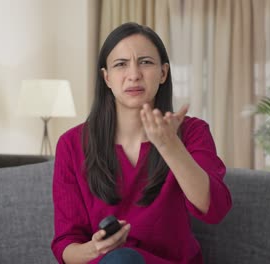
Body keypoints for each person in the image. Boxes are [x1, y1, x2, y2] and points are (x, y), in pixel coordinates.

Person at [51, 22, 232, 264]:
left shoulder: (192, 132)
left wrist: (170, 147)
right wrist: (95, 249)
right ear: (106, 78)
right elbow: (65, 245)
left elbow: (214, 209)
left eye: (145, 62)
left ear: (163, 73)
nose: (134, 74)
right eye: (120, 64)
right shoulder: (71, 144)